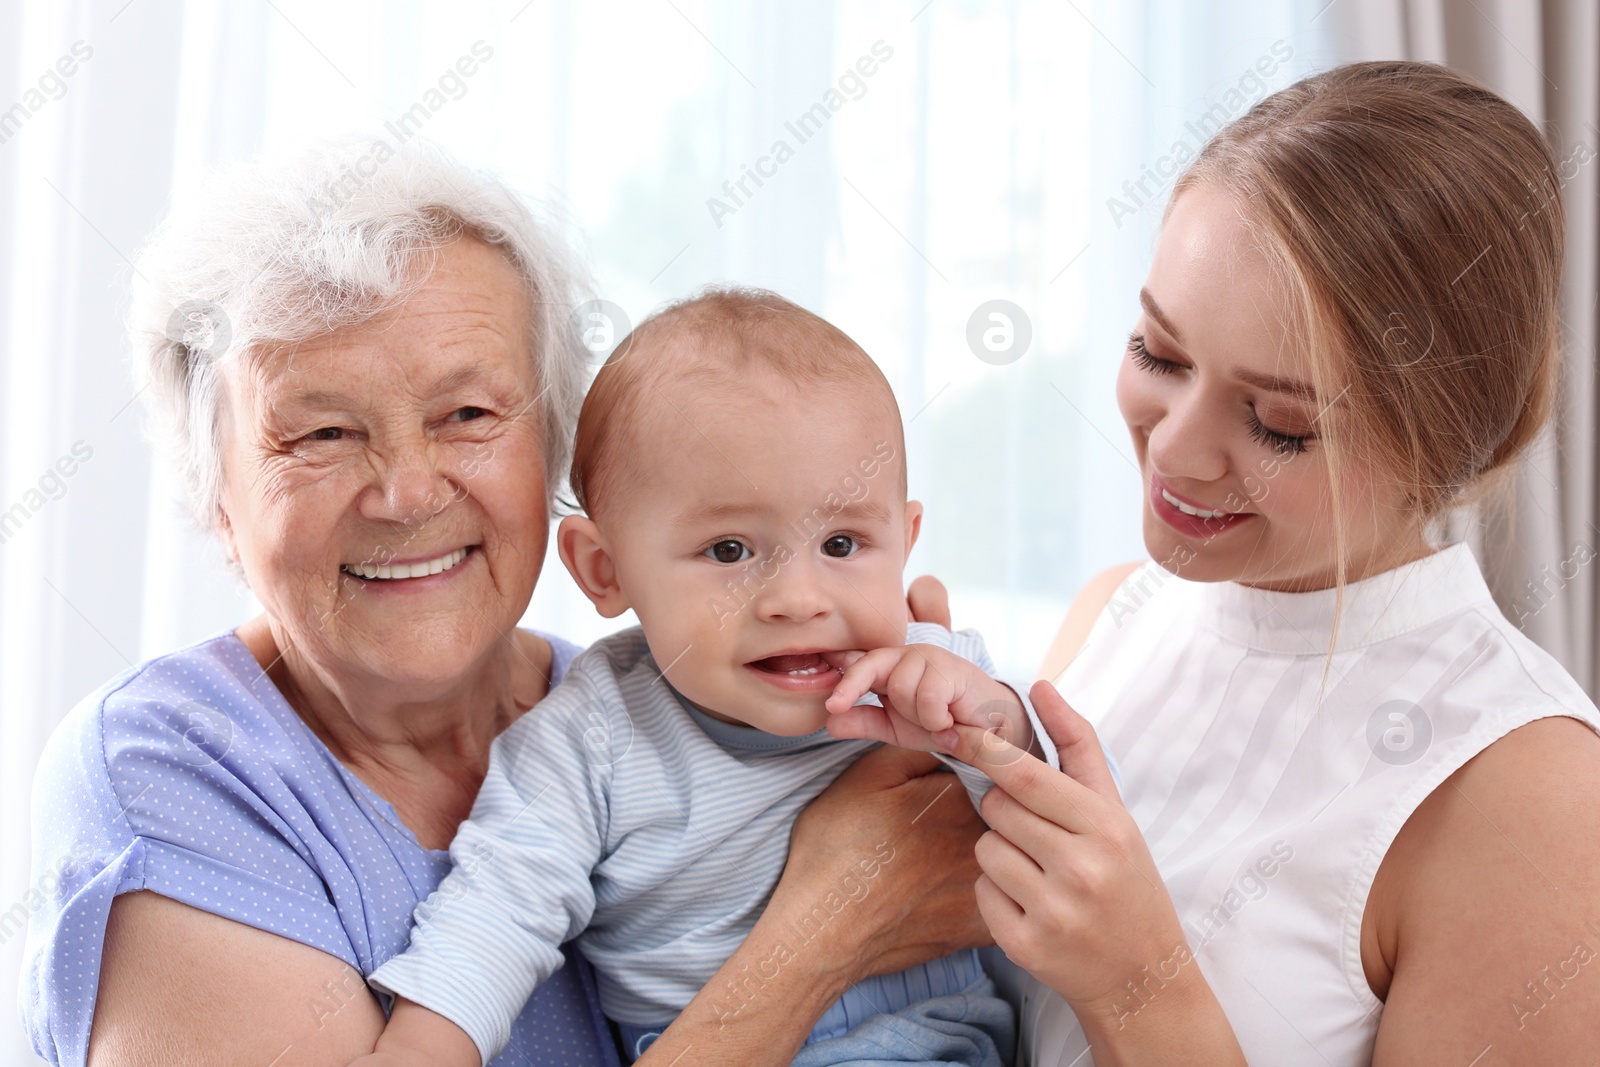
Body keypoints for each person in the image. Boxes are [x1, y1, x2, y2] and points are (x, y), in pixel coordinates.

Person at [20, 139, 993, 1067]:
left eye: (469, 414)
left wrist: (980, 725)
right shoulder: (172, 766)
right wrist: (822, 930)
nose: (406, 490)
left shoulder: (665, 692)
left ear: (553, 456)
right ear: (215, 497)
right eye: (320, 431)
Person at [880, 61, 1600, 1065]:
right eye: (1159, 353)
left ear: (1442, 449)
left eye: (1280, 424)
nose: (1172, 448)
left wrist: (1142, 989)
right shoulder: (1114, 614)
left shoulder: (1529, 790)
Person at [360, 288, 1054, 1067]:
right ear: (605, 568)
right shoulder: (591, 738)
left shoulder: (936, 677)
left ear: (906, 538)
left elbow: (1088, 824)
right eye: (729, 551)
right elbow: (494, 912)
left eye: (842, 543)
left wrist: (1004, 729)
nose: (798, 600)